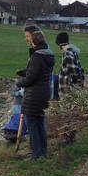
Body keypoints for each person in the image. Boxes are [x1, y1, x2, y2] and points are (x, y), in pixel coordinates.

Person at [15, 26, 55, 159]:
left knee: (32, 124)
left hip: (34, 94)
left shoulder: (36, 56)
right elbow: (39, 72)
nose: (27, 39)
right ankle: (42, 152)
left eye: (28, 37)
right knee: (39, 123)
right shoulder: (48, 54)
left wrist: (19, 81)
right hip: (44, 92)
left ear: (33, 41)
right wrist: (26, 72)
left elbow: (32, 78)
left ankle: (36, 154)